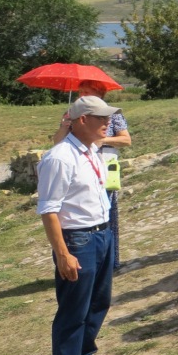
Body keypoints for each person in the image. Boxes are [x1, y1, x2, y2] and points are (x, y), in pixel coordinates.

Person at [37, 96, 123, 355]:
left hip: (102, 233)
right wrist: (63, 254)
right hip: (78, 240)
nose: (108, 123)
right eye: (101, 118)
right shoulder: (60, 158)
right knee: (73, 310)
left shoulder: (91, 150)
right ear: (82, 119)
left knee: (99, 301)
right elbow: (49, 210)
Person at [53, 80, 132, 271]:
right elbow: (57, 142)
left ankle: (110, 261)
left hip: (103, 166)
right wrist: (64, 125)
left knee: (105, 214)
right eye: (80, 92)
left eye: (87, 92)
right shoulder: (72, 115)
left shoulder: (113, 115)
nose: (82, 95)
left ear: (99, 95)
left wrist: (101, 139)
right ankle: (80, 260)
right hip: (80, 169)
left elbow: (126, 139)